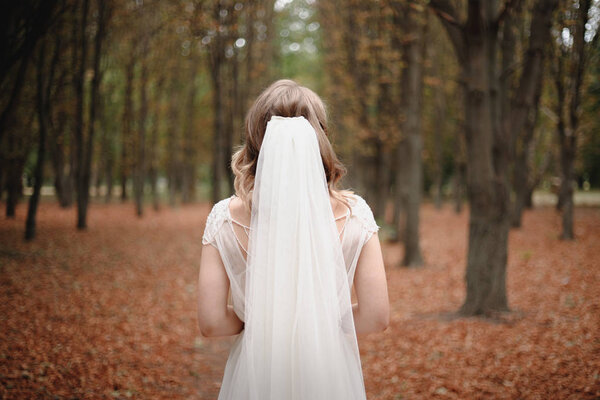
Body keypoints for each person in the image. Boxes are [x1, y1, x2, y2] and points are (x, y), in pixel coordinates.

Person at [198, 79, 389, 400]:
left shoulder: (224, 218)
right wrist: (320, 321)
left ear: (256, 140)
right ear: (321, 138)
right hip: (328, 376)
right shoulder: (356, 215)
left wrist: (262, 320)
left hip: (255, 373)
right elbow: (376, 317)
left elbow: (212, 323)